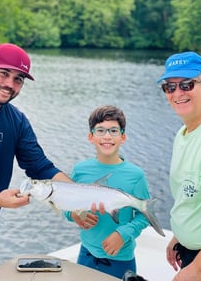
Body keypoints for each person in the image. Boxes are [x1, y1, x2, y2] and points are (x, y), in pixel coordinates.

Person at [0, 43, 74, 281]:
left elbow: (41, 167)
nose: (10, 84)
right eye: (4, 73)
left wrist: (76, 200)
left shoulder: (16, 121)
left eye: (18, 79)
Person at [157, 51, 201, 281]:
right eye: (169, 87)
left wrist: (198, 269)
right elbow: (194, 197)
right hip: (192, 253)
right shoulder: (184, 133)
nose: (177, 93)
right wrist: (181, 235)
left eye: (187, 85)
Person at [64, 105, 150, 279]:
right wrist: (73, 215)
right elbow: (66, 206)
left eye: (113, 130)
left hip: (121, 259)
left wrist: (123, 234)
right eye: (100, 130)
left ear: (123, 137)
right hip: (86, 255)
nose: (107, 136)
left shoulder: (135, 175)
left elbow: (144, 215)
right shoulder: (80, 170)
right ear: (91, 136)